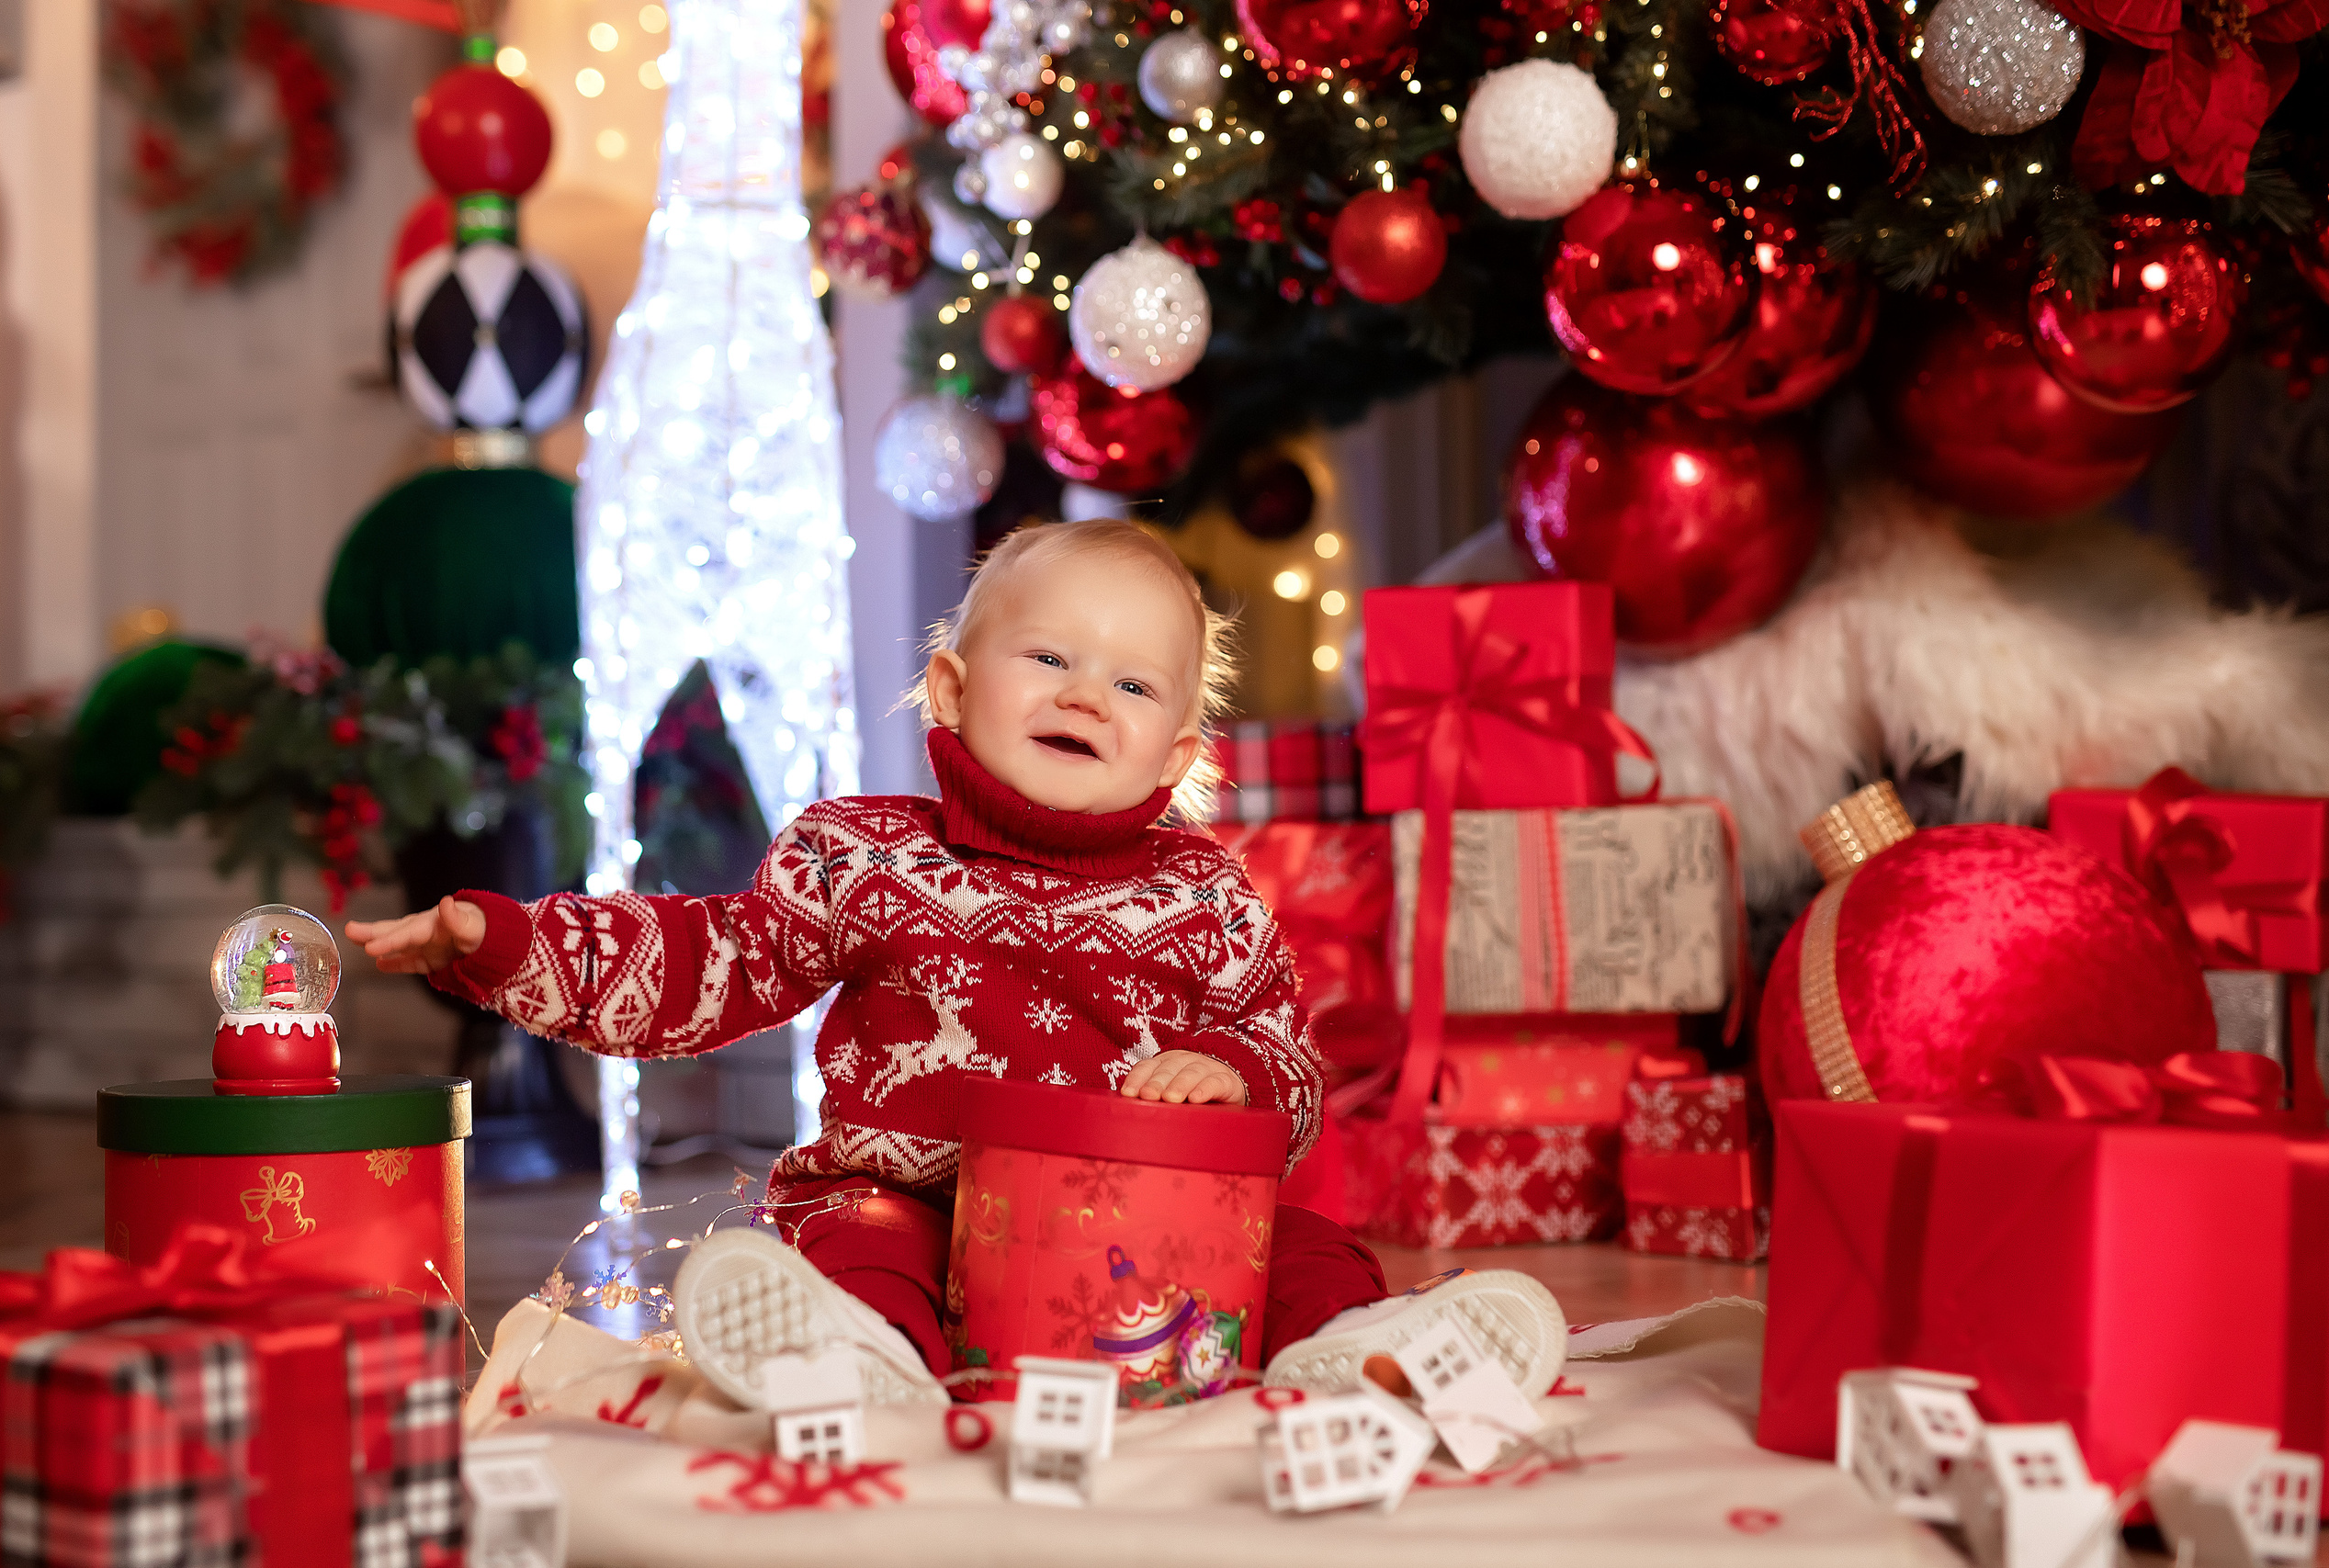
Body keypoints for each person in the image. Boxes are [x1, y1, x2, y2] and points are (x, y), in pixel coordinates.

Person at [348, 520, 1565, 1408]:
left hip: (1148, 1232)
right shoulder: (867, 857)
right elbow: (713, 957)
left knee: (1297, 1246)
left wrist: (1233, 1070)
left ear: (1173, 755)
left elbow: (1288, 1057)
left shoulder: (1205, 900)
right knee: (860, 1237)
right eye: (1049, 659)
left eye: (1132, 683)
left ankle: (1365, 1348)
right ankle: (855, 1357)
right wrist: (508, 941)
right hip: (919, 1203)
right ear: (952, 688)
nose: (1087, 695)